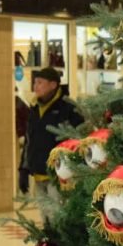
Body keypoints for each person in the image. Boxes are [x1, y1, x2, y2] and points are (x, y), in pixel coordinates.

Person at [18, 66, 83, 214]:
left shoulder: (68, 109)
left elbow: (79, 139)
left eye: (40, 82)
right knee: (45, 216)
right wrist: (23, 169)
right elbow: (29, 140)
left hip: (59, 176)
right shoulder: (34, 109)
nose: (35, 87)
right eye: (34, 82)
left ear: (53, 85)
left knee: (57, 216)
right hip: (39, 173)